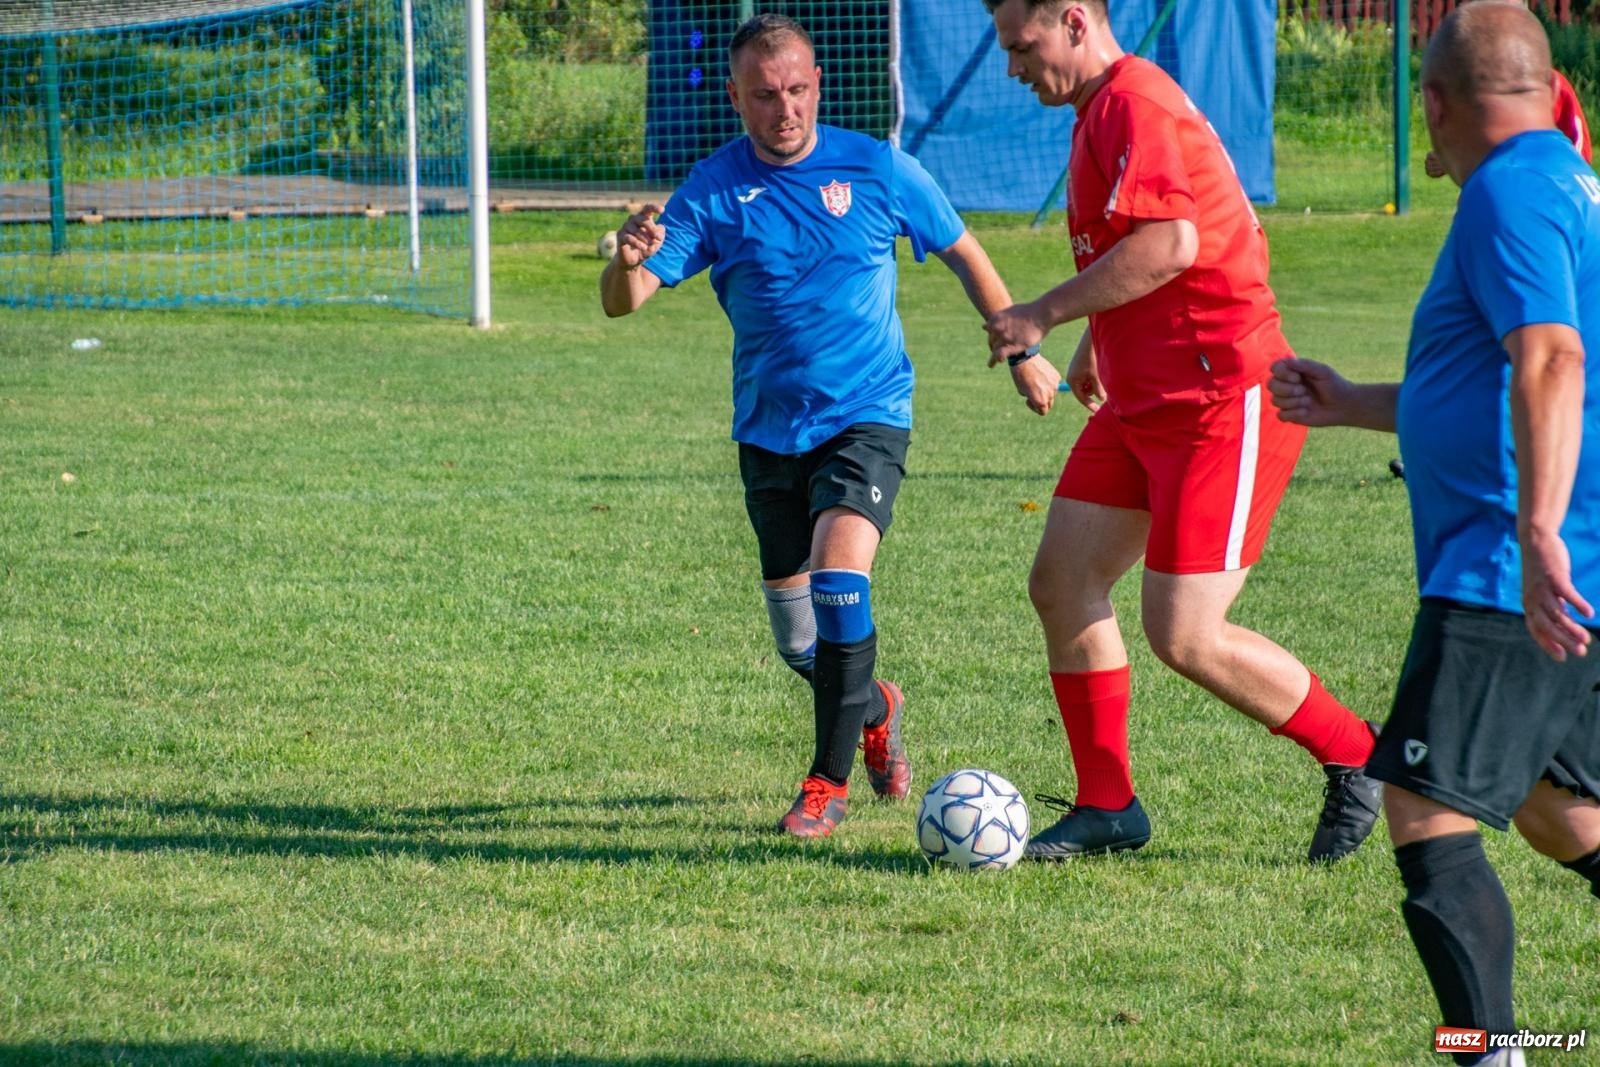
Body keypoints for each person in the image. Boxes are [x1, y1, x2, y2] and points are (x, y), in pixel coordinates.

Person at [600, 14, 1060, 838]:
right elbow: (623, 300)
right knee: (800, 642)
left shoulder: (877, 167)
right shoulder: (711, 187)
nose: (786, 109)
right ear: (737, 97)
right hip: (768, 432)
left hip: (867, 416)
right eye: (767, 94)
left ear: (819, 85)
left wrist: (1021, 346)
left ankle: (827, 784)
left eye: (799, 89)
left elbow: (962, 250)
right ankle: (873, 707)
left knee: (841, 579)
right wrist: (625, 261)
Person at [1271, 7, 1600, 1063]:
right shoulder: (1560, 182)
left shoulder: (1506, 189)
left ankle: (1489, 1050)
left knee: (1420, 808)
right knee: (1558, 811)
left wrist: (1539, 531)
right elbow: (1487, 376)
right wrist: (1356, 401)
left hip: (1516, 565)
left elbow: (1549, 359)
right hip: (1556, 553)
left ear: (1435, 100)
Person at [980, 0, 1381, 864]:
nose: (1013, 66)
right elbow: (1133, 251)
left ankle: (1360, 754)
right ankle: (1107, 803)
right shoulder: (1099, 110)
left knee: (1186, 633)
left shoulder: (1136, 102)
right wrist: (1096, 341)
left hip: (1221, 399)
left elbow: (1171, 242)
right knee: (1063, 579)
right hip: (1142, 400)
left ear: (1077, 21)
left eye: (1023, 45)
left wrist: (1045, 314)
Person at [1423, 0, 1591, 180]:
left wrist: (1572, 180)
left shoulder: (1544, 84)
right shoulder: (1472, 86)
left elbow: (1579, 146)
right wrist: (1447, 157)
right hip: (1492, 192)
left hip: (1545, 189)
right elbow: (1475, 141)